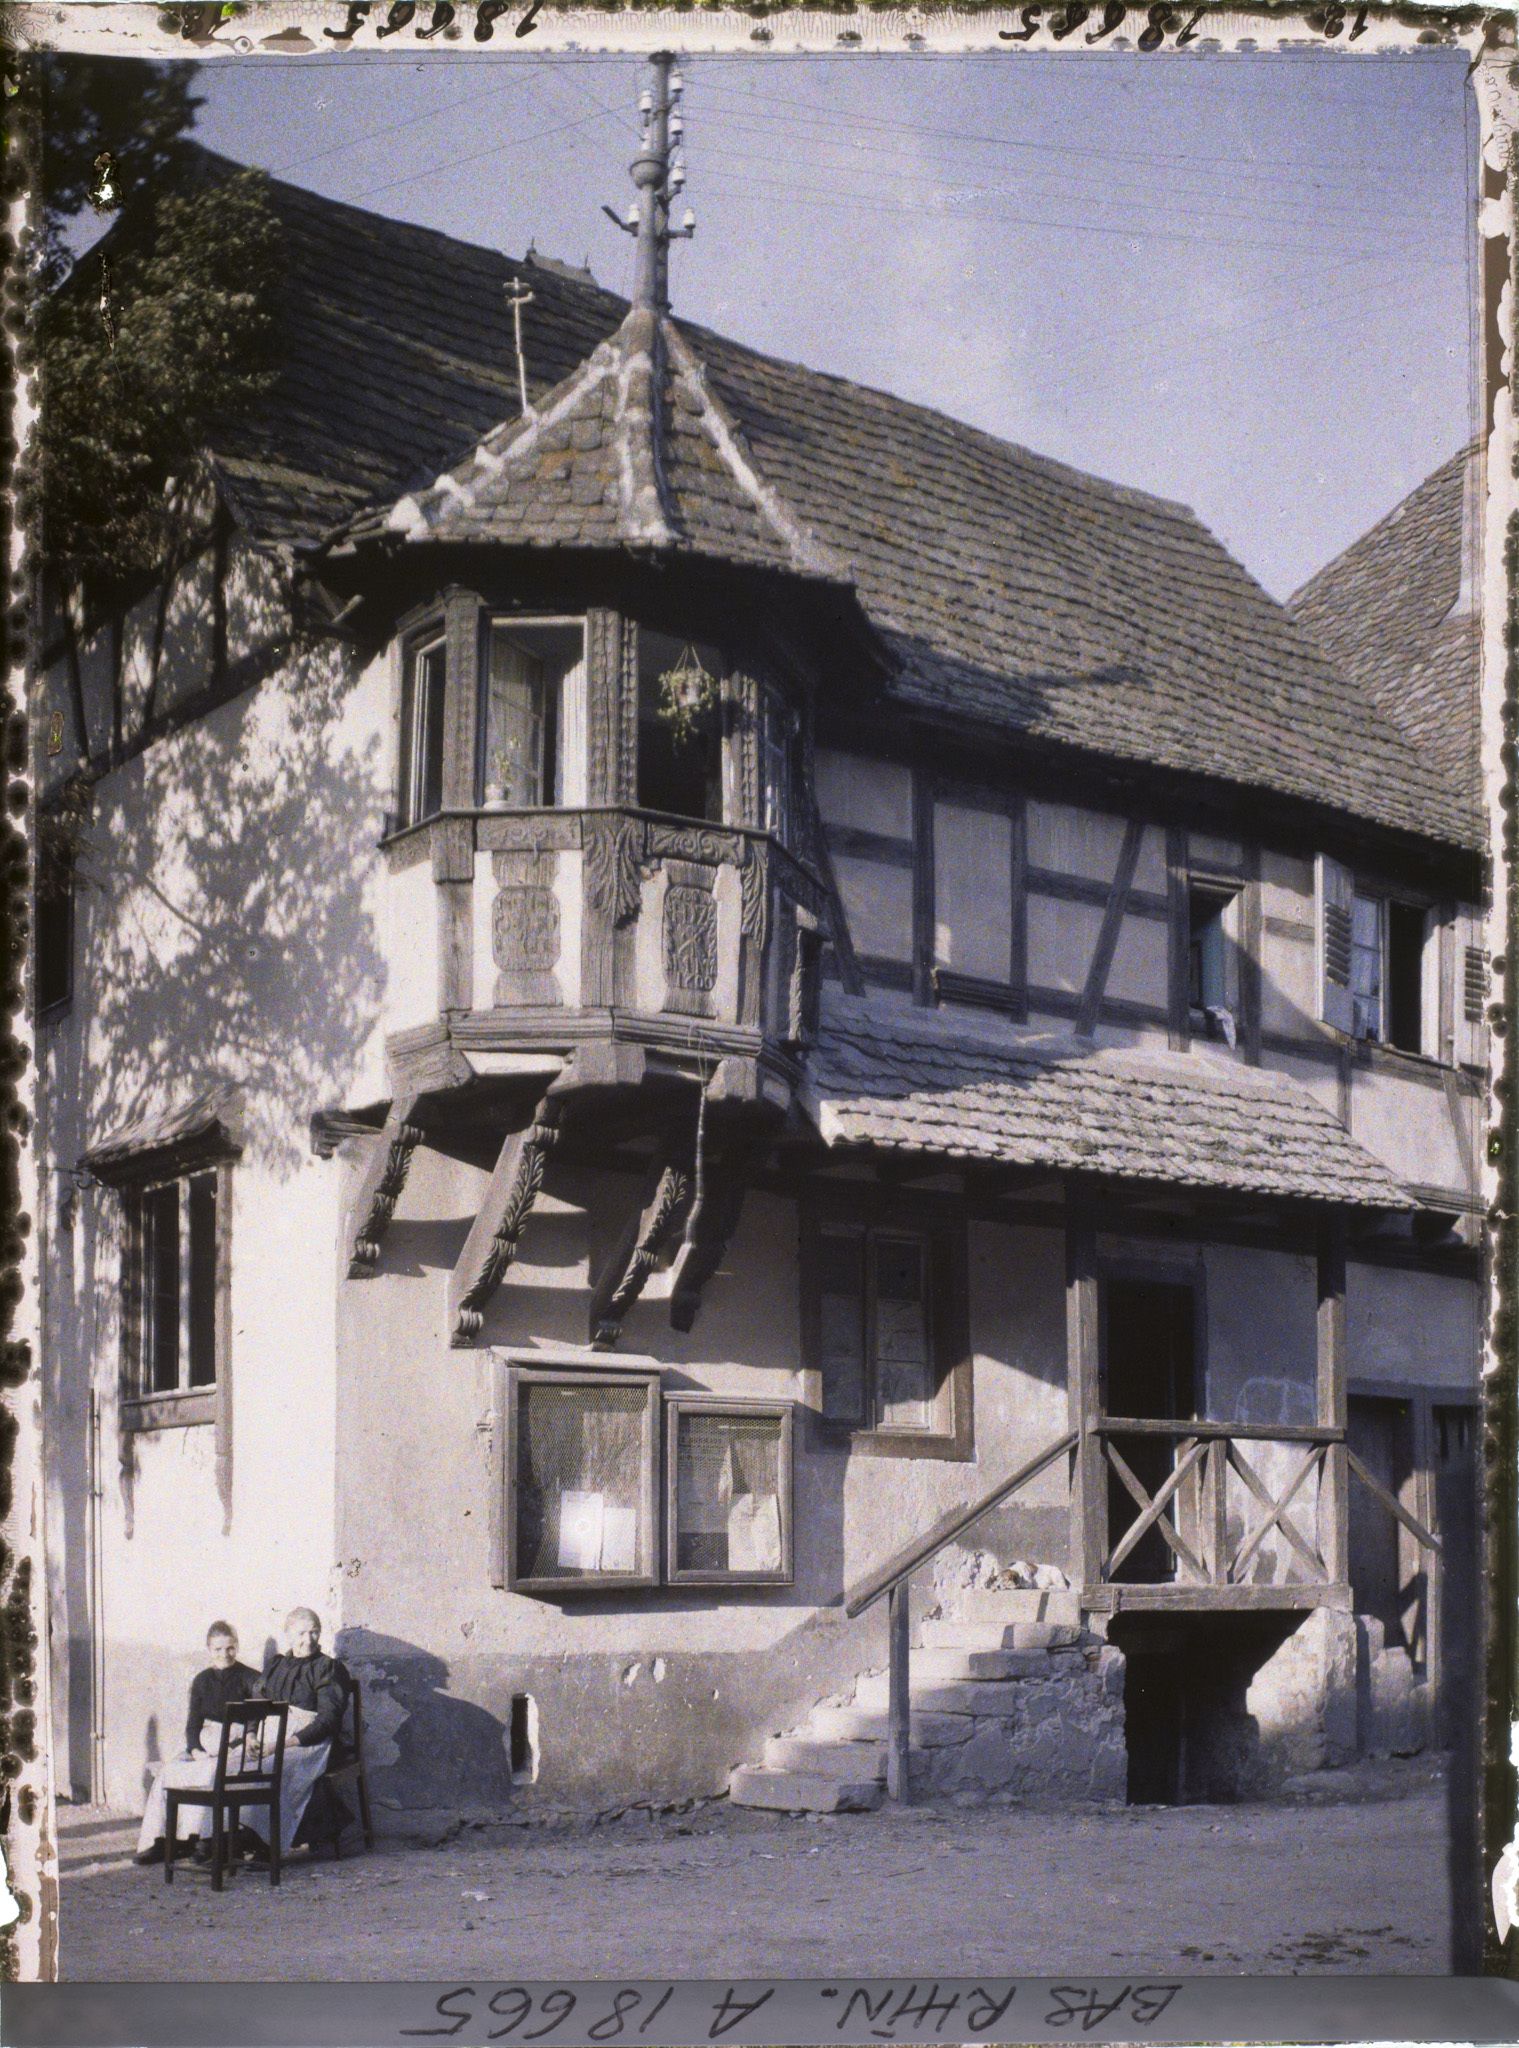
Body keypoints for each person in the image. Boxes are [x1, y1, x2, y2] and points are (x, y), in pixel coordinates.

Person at [133, 1621, 259, 1866]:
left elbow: (255, 1716)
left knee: (211, 1774)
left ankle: (208, 1840)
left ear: (237, 1646)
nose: (225, 1655)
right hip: (206, 1742)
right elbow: (193, 1722)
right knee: (169, 1772)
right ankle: (161, 1840)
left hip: (236, 1742)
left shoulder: (250, 1677)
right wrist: (195, 1748)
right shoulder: (202, 1680)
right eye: (218, 1649)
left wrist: (248, 1734)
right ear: (209, 1650)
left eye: (230, 1648)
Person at [239, 1607, 352, 1858]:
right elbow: (256, 1705)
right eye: (302, 1633)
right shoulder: (276, 1665)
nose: (309, 1639)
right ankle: (237, 1837)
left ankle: (268, 1843)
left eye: (314, 1632)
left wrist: (282, 1745)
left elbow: (328, 1721)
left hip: (312, 1743)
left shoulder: (327, 1668)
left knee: (274, 1769)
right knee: (233, 1767)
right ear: (289, 1635)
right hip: (271, 1741)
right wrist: (250, 1735)